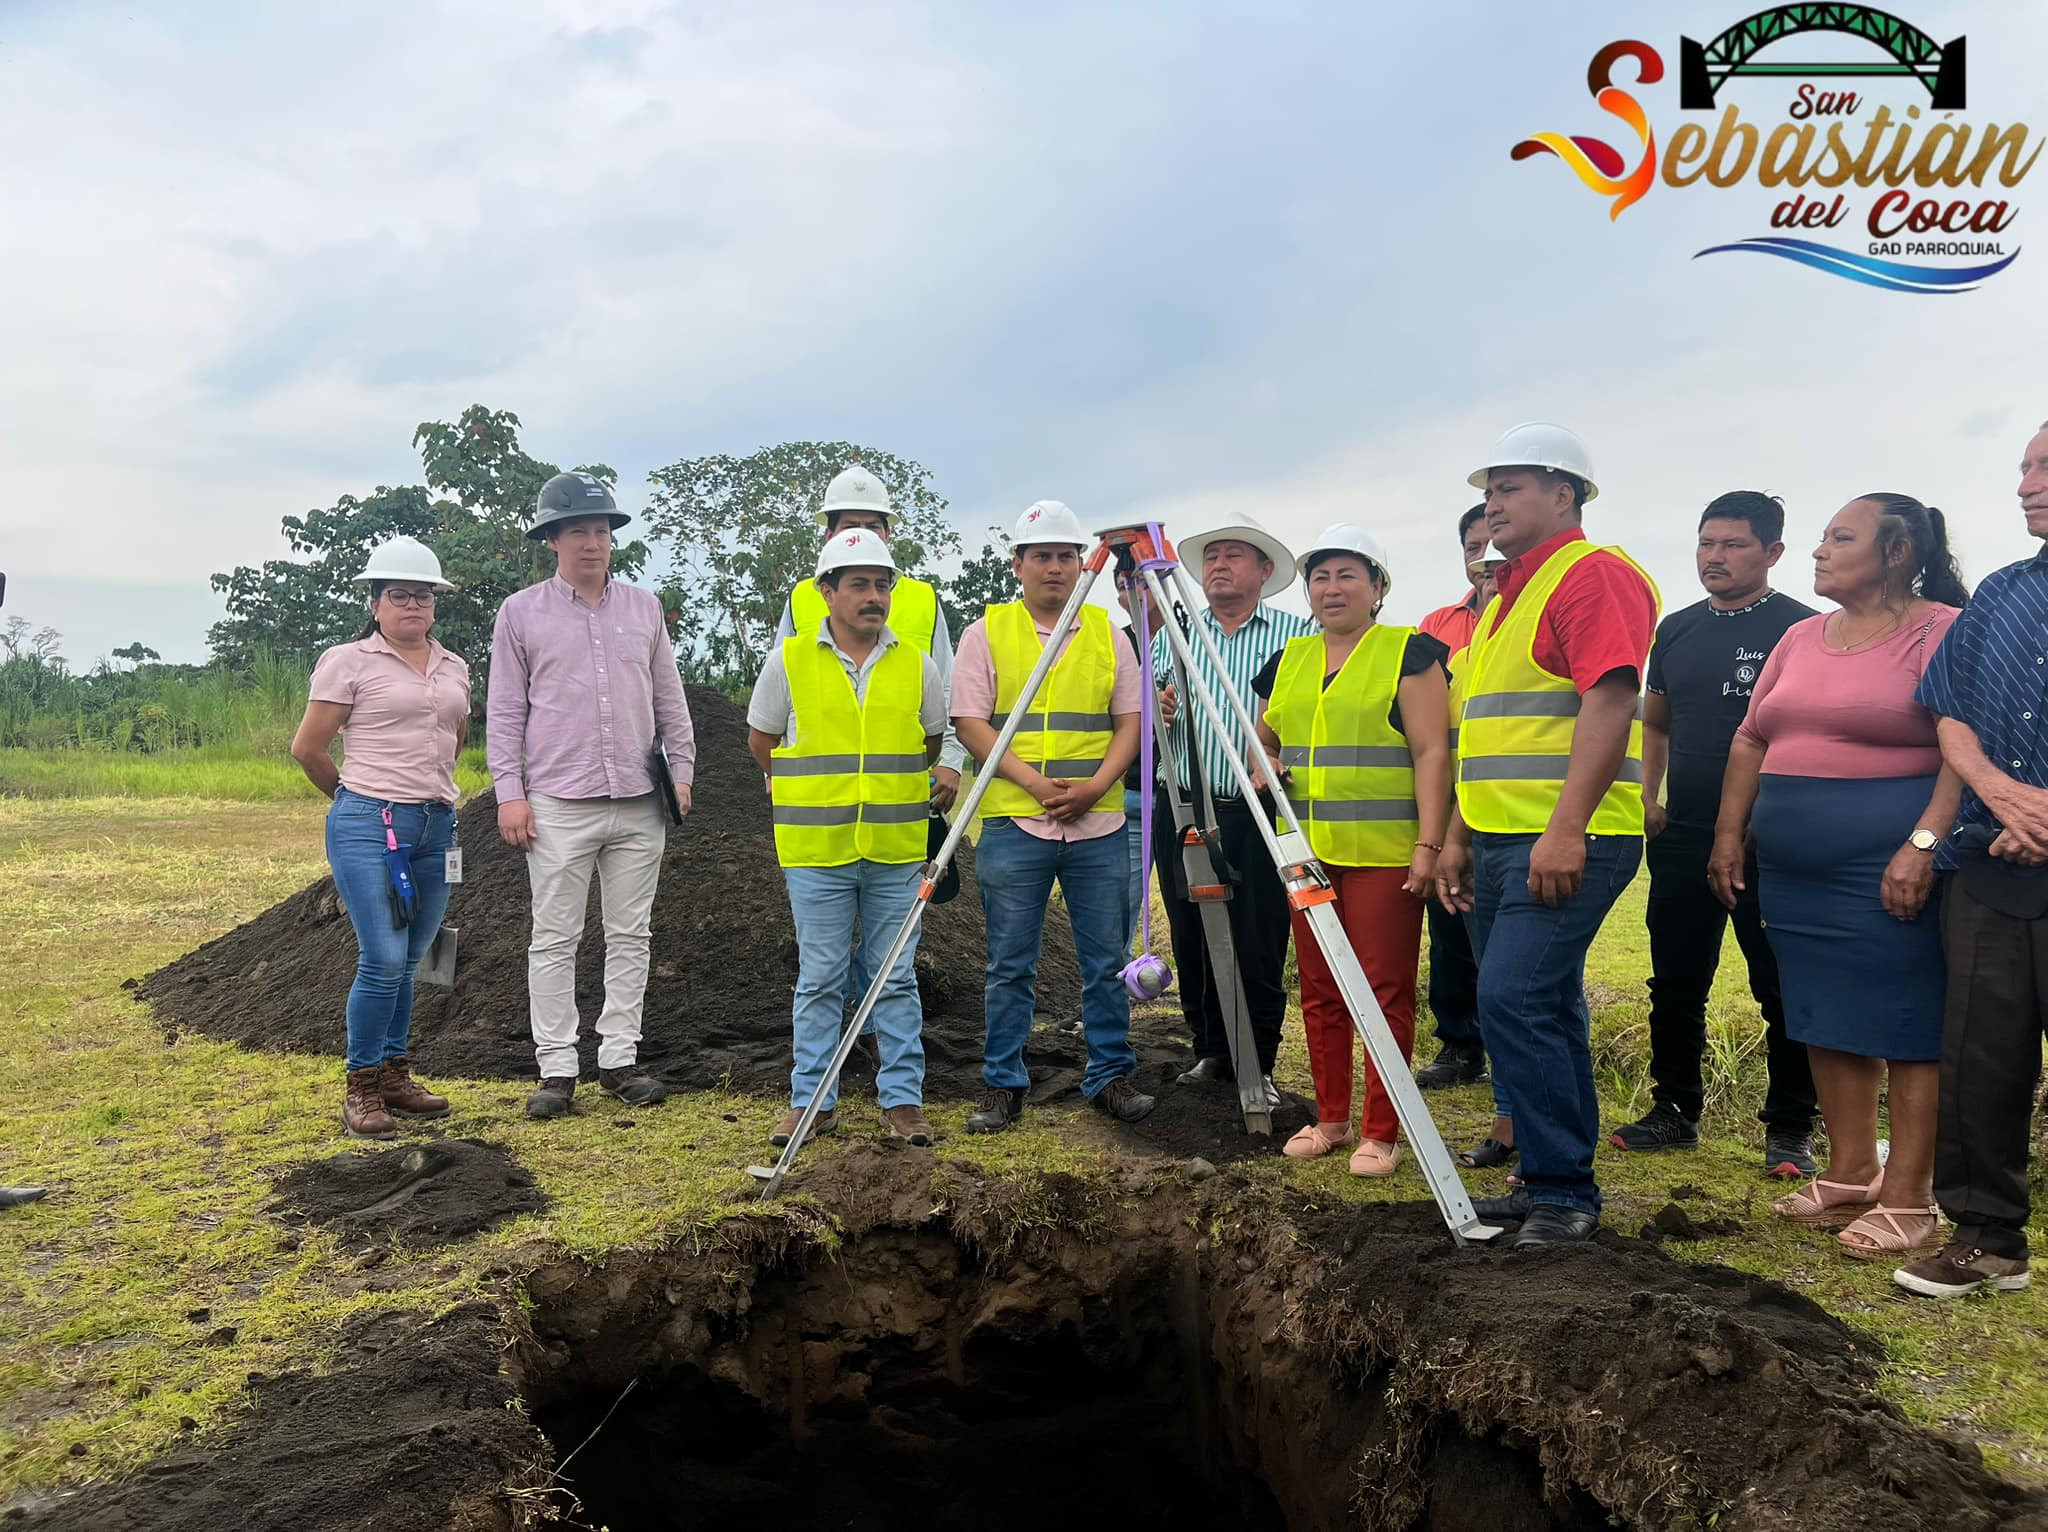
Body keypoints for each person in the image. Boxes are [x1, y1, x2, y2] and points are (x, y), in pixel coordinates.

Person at [1710, 494, 1966, 1261]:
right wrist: (1730, 835)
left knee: (1908, 1023)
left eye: (1840, 537)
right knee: (1822, 1012)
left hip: (1886, 863)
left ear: (1895, 553)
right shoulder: (1799, 636)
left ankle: (1913, 1197)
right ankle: (1855, 1171)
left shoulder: (1941, 631)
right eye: (1821, 537)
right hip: (1791, 868)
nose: (1820, 550)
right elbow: (1751, 739)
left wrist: (1923, 843)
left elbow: (1963, 750)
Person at [1436, 422, 1659, 1247]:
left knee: (1512, 997)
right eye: (1488, 491)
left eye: (1511, 488)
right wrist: (1458, 836)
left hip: (1569, 837)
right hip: (1500, 836)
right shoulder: (1506, 597)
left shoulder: (1591, 574)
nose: (1492, 503)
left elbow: (1610, 701)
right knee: (1542, 1005)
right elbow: (1488, 738)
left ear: (1564, 494)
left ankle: (1563, 1190)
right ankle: (1549, 1176)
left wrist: (1565, 831)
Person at [1610, 493, 1820, 1176]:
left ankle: (1789, 1129)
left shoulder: (1804, 631)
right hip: (1684, 834)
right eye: (1706, 543)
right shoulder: (1675, 629)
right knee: (1674, 982)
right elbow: (1659, 722)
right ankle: (1675, 1111)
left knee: (1779, 985)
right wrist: (1647, 793)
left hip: (1773, 840)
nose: (1715, 557)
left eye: (1732, 544)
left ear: (1773, 553)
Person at [488, 472, 697, 1120]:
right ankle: (557, 1068)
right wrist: (509, 793)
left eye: (601, 530)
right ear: (552, 539)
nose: (591, 542)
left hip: (640, 800)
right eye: (577, 530)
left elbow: (670, 698)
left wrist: (683, 773)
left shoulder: (644, 609)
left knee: (631, 933)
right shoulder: (520, 613)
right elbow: (503, 711)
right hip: (557, 802)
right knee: (554, 937)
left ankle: (619, 1060)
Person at [1898, 422, 2048, 1298]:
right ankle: (1988, 1238)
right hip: (1992, 864)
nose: (2025, 485)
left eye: (2043, 467)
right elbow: (1949, 711)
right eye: (2023, 468)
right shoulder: (2001, 593)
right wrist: (2004, 795)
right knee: (1981, 1055)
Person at [1253, 526, 1452, 1175]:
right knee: (1320, 988)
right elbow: (1267, 743)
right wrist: (1266, 768)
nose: (1332, 588)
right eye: (1320, 577)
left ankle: (1382, 1131)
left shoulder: (1409, 654)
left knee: (1384, 990)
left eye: (1347, 575)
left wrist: (1430, 842)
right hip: (1307, 855)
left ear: (1377, 587)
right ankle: (1332, 1119)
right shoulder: (1289, 659)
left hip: (1386, 853)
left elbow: (1431, 751)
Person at [952, 501, 1152, 1131]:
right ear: (1017, 564)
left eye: (1067, 556)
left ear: (1080, 564)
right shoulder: (986, 632)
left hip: (1099, 824)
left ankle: (1109, 1075)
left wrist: (1096, 787)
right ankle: (1003, 1082)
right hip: (1016, 821)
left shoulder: (1106, 633)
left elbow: (1131, 722)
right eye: (1042, 555)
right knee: (1010, 962)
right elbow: (971, 723)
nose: (1056, 567)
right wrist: (1037, 784)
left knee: (1105, 959)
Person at [747, 529, 946, 1148]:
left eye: (882, 584)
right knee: (821, 977)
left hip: (895, 849)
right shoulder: (789, 660)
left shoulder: (918, 664)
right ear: (826, 592)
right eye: (858, 584)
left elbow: (931, 742)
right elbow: (763, 742)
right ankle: (812, 1100)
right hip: (817, 852)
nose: (874, 596)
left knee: (896, 977)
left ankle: (903, 1101)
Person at [290, 536, 469, 1139]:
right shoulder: (348, 662)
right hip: (370, 823)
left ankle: (395, 1072)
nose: (412, 606)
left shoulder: (455, 667)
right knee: (384, 957)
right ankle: (361, 1084)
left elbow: (453, 739)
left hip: (437, 824)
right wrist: (355, 799)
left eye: (423, 596)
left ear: (435, 605)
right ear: (375, 603)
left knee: (414, 957)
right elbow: (308, 749)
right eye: (399, 595)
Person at [1150, 511, 1314, 1101]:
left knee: (1257, 936)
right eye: (1211, 556)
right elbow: (1154, 717)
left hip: (1255, 810)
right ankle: (1211, 1051)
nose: (1218, 565)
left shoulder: (1299, 638)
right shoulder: (1180, 636)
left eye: (1233, 555)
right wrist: (1162, 714)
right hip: (1184, 806)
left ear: (1264, 571)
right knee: (1191, 932)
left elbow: (1310, 718)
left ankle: (1259, 1061)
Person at [774, 466, 964, 812]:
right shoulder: (802, 597)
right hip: (820, 793)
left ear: (888, 534)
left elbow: (947, 685)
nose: (863, 535)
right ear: (829, 533)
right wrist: (778, 772)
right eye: (851, 526)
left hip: (903, 785)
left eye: (873, 526)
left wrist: (950, 759)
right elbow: (778, 694)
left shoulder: (923, 599)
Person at [1414, 506, 1494, 1089]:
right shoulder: (1437, 626)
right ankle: (1459, 1045)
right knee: (1449, 928)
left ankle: (1508, 1049)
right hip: (1449, 801)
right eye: (1473, 546)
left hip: (1513, 802)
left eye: (1493, 542)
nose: (1484, 556)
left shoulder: (1537, 616)